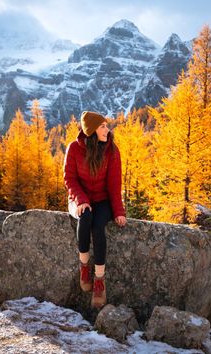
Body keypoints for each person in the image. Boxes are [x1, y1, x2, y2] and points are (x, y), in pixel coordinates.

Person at [63, 111, 126, 308]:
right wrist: (81, 200)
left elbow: (114, 186)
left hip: (102, 199)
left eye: (107, 125)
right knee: (85, 217)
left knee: (98, 226)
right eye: (103, 126)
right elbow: (69, 179)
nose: (107, 129)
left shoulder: (112, 151)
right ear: (91, 131)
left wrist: (119, 212)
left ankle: (99, 279)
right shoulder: (73, 148)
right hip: (79, 198)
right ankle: (84, 266)